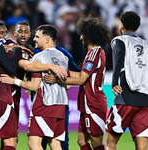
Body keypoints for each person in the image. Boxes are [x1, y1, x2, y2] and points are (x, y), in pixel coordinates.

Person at [0, 22, 67, 150]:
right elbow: (26, 66)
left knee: (5, 138)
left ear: (30, 34)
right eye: (20, 31)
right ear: (14, 34)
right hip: (4, 94)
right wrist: (50, 66)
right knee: (9, 140)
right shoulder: (14, 47)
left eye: (26, 32)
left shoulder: (29, 51)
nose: (23, 34)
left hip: (10, 97)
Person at [44, 15, 111, 150]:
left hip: (94, 104)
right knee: (81, 141)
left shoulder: (94, 53)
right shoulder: (93, 53)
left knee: (96, 142)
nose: (80, 37)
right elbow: (82, 74)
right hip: (86, 104)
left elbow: (81, 80)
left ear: (88, 35)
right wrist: (60, 71)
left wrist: (57, 79)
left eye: (82, 34)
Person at [104, 11, 148, 150]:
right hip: (146, 101)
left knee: (109, 143)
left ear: (121, 26)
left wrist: (114, 83)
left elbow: (118, 62)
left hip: (125, 98)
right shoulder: (147, 45)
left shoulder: (119, 40)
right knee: (142, 147)